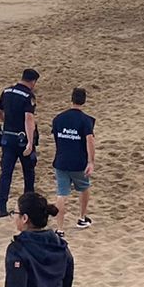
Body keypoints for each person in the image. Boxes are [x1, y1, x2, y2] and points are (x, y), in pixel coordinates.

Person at [0, 68, 40, 218]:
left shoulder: (6, 91)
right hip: (22, 139)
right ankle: (28, 208)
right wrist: (30, 142)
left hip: (7, 138)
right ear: (33, 82)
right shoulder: (28, 95)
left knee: (6, 173)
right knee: (28, 173)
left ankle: (1, 207)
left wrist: (7, 122)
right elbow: (29, 119)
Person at [48, 88, 96, 229]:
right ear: (84, 100)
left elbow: (56, 137)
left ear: (72, 99)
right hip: (78, 162)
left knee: (61, 194)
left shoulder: (58, 118)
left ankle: (60, 228)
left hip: (61, 160)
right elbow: (90, 141)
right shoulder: (85, 120)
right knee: (84, 187)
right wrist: (91, 161)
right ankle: (81, 217)